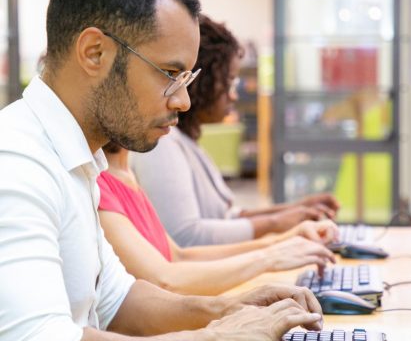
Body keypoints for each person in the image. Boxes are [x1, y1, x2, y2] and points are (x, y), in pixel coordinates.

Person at [0, 0, 325, 341]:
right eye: (171, 75)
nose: (184, 100)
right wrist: (217, 340)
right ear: (95, 52)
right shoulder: (16, 164)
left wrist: (226, 307)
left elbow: (117, 300)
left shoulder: (74, 158)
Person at [132, 14, 341, 247]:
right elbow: (186, 236)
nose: (233, 95)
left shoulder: (186, 142)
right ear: (202, 81)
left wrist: (298, 210)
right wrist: (276, 223)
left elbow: (227, 216)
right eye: (229, 82)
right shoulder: (162, 144)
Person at [98, 142, 337, 295]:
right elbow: (164, 280)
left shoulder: (126, 175)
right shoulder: (98, 184)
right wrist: (269, 257)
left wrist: (284, 241)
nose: (181, 102)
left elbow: (180, 255)